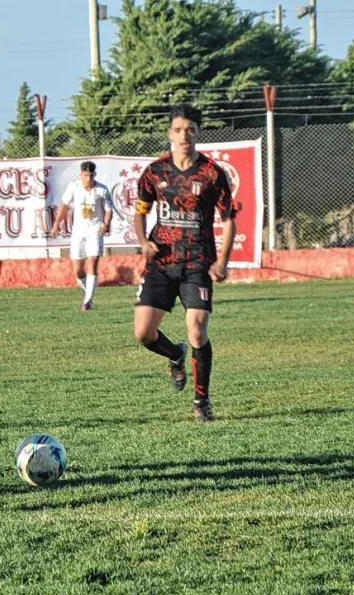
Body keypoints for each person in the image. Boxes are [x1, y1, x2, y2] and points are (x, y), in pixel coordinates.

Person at [133, 104, 236, 422]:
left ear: (197, 133)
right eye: (178, 130)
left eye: (190, 129)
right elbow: (140, 212)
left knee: (197, 329)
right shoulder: (155, 172)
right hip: (161, 263)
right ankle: (175, 355)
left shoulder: (211, 173)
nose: (183, 135)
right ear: (169, 133)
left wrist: (222, 261)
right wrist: (143, 242)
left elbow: (229, 220)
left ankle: (201, 401)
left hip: (196, 263)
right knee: (144, 333)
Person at [50, 161, 114, 311]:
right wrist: (56, 225)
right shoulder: (74, 187)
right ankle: (87, 289)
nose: (88, 178)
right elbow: (64, 206)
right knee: (78, 270)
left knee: (92, 261)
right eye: (85, 175)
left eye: (91, 175)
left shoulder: (102, 190)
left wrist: (105, 224)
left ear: (94, 175)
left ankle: (88, 301)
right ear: (81, 174)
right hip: (78, 232)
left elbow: (109, 210)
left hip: (95, 231)